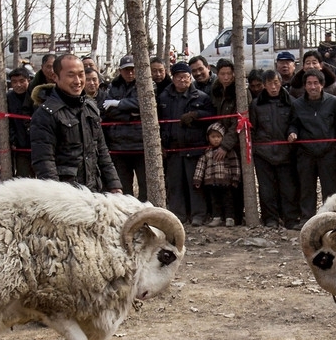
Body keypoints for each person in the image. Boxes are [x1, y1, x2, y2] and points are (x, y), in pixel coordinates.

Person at [29, 53, 121, 193]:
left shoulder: (90, 107)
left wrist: (114, 185)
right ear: (55, 77)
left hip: (93, 190)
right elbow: (44, 162)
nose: (78, 81)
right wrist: (55, 195)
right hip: (65, 194)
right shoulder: (46, 113)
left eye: (81, 74)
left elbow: (102, 150)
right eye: (71, 75)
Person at [157, 61, 212, 224]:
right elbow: (158, 121)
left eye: (186, 77)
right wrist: (161, 143)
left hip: (194, 147)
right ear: (173, 78)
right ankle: (178, 215)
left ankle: (198, 214)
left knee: (195, 182)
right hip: (172, 147)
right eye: (179, 77)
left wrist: (197, 114)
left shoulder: (201, 97)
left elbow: (211, 115)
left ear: (190, 78)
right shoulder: (164, 97)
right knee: (175, 183)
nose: (182, 80)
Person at [289, 68, 336, 222]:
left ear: (322, 84)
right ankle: (307, 219)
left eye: (316, 83)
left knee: (330, 189)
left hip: (328, 153)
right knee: (307, 188)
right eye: (309, 83)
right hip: (306, 153)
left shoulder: (333, 102)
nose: (313, 87)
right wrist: (292, 133)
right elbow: (293, 124)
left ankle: (330, 219)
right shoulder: (297, 104)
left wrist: (335, 147)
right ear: (304, 86)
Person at [250, 70, 300, 228]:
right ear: (264, 85)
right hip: (263, 154)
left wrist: (292, 132)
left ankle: (290, 218)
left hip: (286, 153)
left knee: (288, 188)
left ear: (281, 83)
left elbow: (295, 123)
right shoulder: (256, 104)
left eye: (276, 83)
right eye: (269, 84)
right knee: (266, 189)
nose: (273, 87)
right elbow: (252, 129)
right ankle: (270, 218)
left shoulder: (291, 102)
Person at [101, 55, 147, 201]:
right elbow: (107, 110)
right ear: (120, 71)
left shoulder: (145, 83)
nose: (130, 73)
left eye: (133, 69)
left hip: (140, 145)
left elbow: (143, 104)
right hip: (118, 145)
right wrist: (131, 115)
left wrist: (119, 104)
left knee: (145, 185)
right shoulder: (113, 86)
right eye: (126, 70)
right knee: (123, 185)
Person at [193, 122, 241, 227]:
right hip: (211, 181)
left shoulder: (229, 151)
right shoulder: (207, 152)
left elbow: (235, 164)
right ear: (208, 138)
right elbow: (200, 166)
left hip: (225, 180)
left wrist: (235, 178)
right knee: (215, 201)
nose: (216, 139)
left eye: (218, 137)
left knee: (228, 200)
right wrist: (197, 179)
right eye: (213, 137)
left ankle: (229, 218)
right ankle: (216, 218)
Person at [5, 67, 33, 179]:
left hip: (38, 145)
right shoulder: (8, 98)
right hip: (20, 146)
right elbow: (9, 122)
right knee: (23, 177)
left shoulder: (35, 95)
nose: (18, 85)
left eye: (22, 81)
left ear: (28, 81)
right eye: (14, 82)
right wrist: (13, 139)